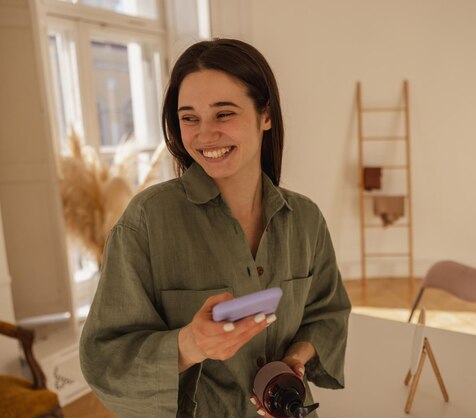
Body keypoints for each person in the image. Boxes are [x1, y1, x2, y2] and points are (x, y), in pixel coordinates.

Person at [79, 38, 351, 418]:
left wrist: (295, 360)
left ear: (266, 116)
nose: (205, 135)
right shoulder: (147, 221)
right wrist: (189, 344)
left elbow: (328, 312)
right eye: (189, 118)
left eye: (224, 114)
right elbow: (103, 358)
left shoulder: (306, 219)